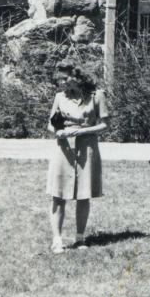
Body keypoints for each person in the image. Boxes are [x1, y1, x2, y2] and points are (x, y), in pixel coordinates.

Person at [47, 68, 108, 253]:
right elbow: (50, 123)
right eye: (61, 78)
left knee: (83, 193)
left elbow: (105, 125)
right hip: (63, 148)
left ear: (78, 76)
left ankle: (80, 237)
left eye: (67, 78)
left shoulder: (97, 95)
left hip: (87, 148)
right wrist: (58, 132)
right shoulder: (60, 97)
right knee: (58, 195)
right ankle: (57, 239)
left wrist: (82, 131)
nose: (63, 81)